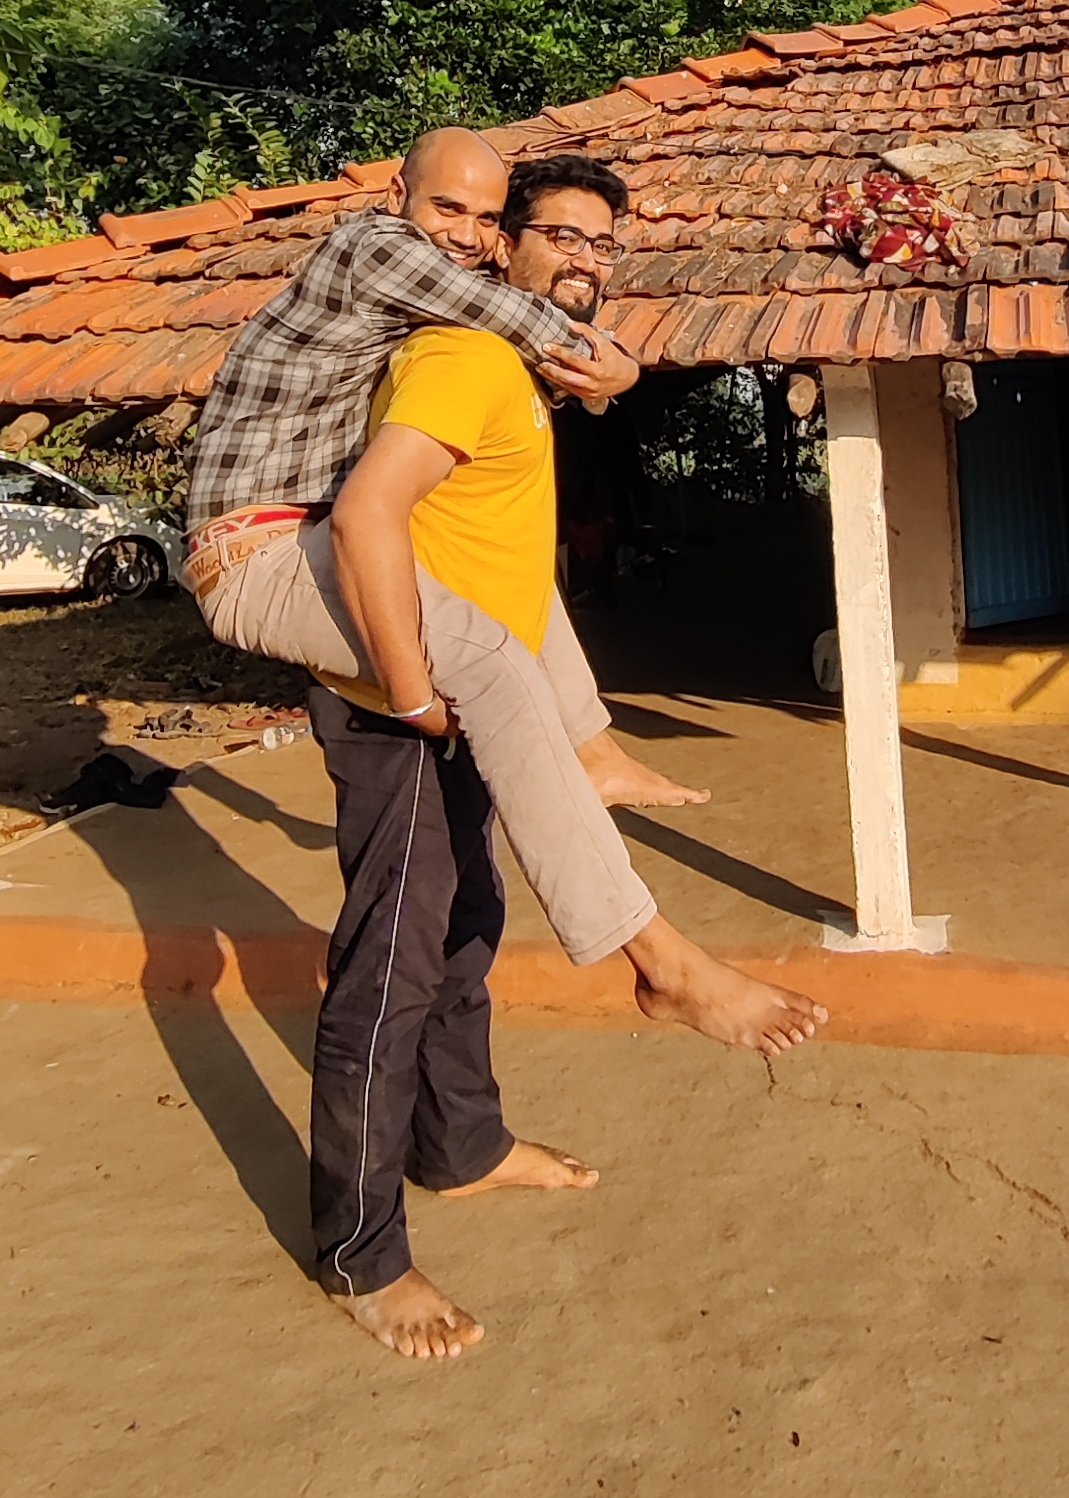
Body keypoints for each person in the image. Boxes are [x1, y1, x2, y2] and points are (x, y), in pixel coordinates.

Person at [309, 160, 825, 1357]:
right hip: (403, 704)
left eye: (603, 244)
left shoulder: (518, 370)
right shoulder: (465, 357)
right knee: (389, 967)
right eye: (560, 235)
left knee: (465, 927)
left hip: (467, 700)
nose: (586, 260)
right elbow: (369, 512)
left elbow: (505, 557)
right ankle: (358, 1254)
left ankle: (464, 1147)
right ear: (503, 247)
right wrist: (407, 688)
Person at [187, 130, 823, 1056]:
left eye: (483, 218)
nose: (464, 232)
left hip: (309, 540)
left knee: (507, 615)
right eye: (448, 207)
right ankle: (660, 962)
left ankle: (593, 749)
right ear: (398, 194)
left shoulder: (442, 324)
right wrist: (618, 367)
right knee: (484, 689)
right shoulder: (373, 250)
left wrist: (596, 375)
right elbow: (512, 321)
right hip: (259, 548)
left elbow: (510, 350)